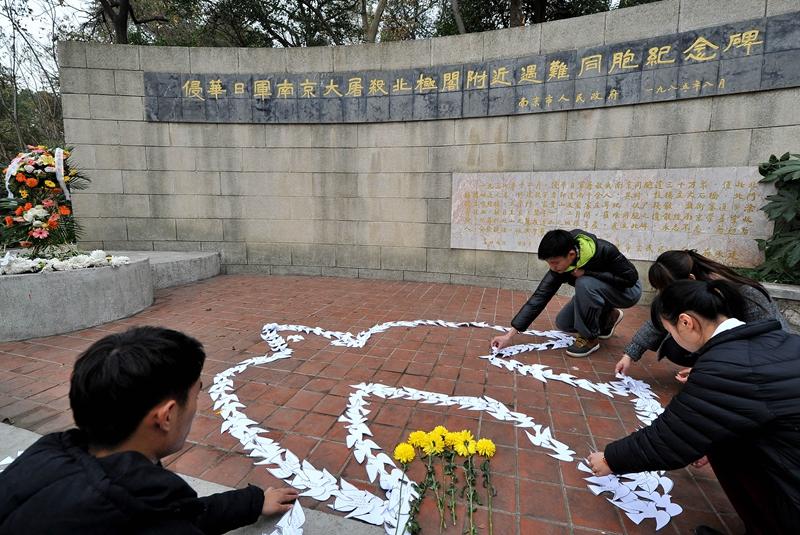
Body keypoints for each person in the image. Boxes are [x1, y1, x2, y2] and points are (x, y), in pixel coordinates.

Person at [0, 326, 299, 534]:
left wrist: (251, 503)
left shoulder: (48, 456)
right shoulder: (136, 514)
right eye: (197, 392)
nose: (197, 404)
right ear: (166, 416)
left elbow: (175, 513)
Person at [587, 279, 800, 535]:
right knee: (720, 437)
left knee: (721, 442)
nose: (673, 340)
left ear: (686, 322)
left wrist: (611, 458)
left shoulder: (727, 367)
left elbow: (670, 438)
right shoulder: (779, 341)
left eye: (671, 331)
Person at [615, 249, 791, 379]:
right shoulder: (689, 290)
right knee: (674, 348)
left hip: (768, 358)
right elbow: (659, 321)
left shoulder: (746, 295)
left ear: (690, 279)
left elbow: (764, 343)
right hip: (727, 349)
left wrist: (711, 368)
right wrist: (630, 354)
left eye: (667, 289)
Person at [491, 228, 642, 357]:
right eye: (549, 263)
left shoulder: (604, 250)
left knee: (584, 283)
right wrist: (508, 336)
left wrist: (588, 273)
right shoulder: (561, 267)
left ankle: (590, 340)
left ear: (570, 255)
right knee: (564, 322)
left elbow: (630, 279)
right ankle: (608, 316)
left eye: (555, 262)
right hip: (602, 291)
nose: (552, 267)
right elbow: (540, 297)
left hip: (627, 291)